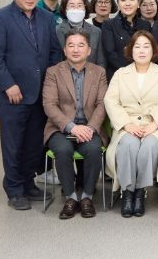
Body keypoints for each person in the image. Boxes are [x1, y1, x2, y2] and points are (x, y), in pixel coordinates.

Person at [0, 0, 62, 210]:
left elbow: (54, 53)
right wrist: (8, 84)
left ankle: (28, 183)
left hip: (40, 94)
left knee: (34, 144)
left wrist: (50, 85)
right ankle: (15, 189)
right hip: (12, 95)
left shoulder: (46, 18)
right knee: (13, 144)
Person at [104, 31, 158, 218]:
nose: (142, 50)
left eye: (146, 46)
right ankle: (127, 192)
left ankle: (140, 192)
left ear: (153, 50)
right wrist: (126, 124)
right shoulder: (121, 74)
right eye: (137, 46)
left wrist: (154, 124)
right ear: (130, 50)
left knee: (150, 145)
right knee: (127, 145)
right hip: (128, 124)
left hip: (157, 125)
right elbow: (111, 101)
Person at [42, 29, 108, 219]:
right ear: (64, 50)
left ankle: (87, 196)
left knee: (94, 149)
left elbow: (102, 104)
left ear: (89, 50)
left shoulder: (99, 72)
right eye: (71, 45)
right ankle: (70, 198)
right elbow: (49, 105)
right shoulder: (53, 72)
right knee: (63, 150)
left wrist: (90, 128)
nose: (76, 49)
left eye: (81, 45)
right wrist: (72, 127)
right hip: (61, 128)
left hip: (89, 127)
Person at [101, 0, 150, 82]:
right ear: (118, 3)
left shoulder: (145, 25)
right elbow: (110, 54)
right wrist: (132, 71)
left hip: (143, 77)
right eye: (123, 0)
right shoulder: (108, 25)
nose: (127, 3)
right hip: (118, 77)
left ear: (138, 2)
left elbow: (149, 51)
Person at [56, 0, 105, 68]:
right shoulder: (56, 31)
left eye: (79, 5)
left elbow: (101, 61)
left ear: (85, 8)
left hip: (91, 73)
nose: (76, 9)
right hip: (64, 74)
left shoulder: (96, 31)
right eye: (72, 6)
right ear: (65, 9)